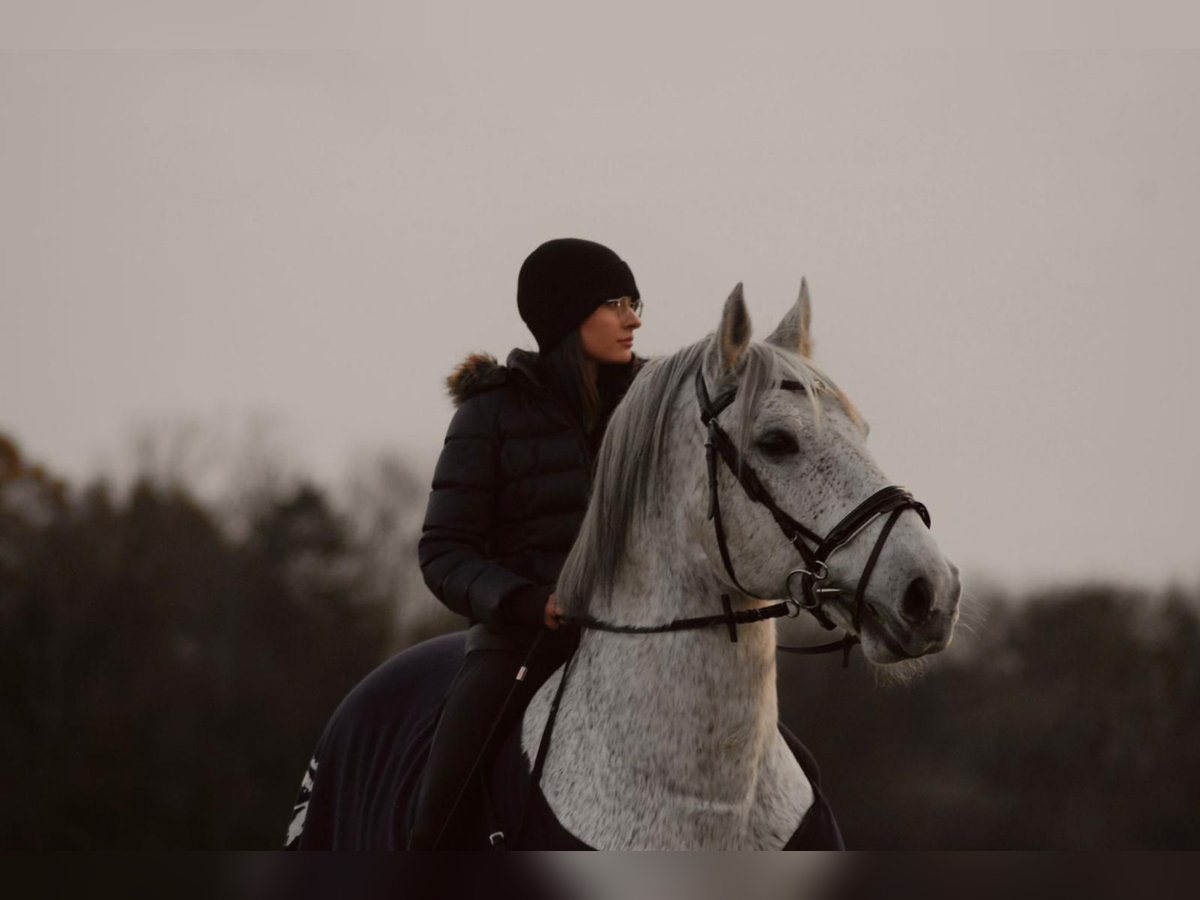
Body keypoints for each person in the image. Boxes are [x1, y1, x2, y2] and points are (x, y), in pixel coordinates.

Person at [407, 238, 645, 849]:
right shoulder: (489, 414)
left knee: (795, 779)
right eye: (616, 303)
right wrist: (526, 601)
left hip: (645, 640)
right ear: (568, 315)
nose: (634, 319)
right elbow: (443, 552)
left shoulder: (653, 408)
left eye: (636, 303)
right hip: (521, 644)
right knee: (441, 808)